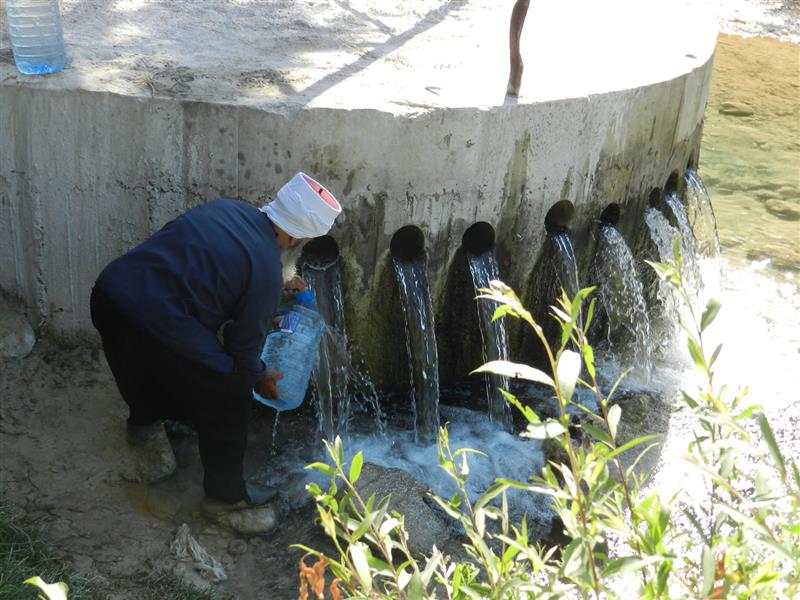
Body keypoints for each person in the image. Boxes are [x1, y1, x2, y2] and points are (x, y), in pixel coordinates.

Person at [90, 172, 341, 534]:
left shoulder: (228, 210)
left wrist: (270, 290)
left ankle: (145, 425)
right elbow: (242, 357)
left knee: (157, 359)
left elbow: (201, 271)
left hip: (110, 296)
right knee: (229, 386)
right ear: (294, 237)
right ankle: (226, 500)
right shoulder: (266, 273)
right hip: (155, 324)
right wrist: (260, 375)